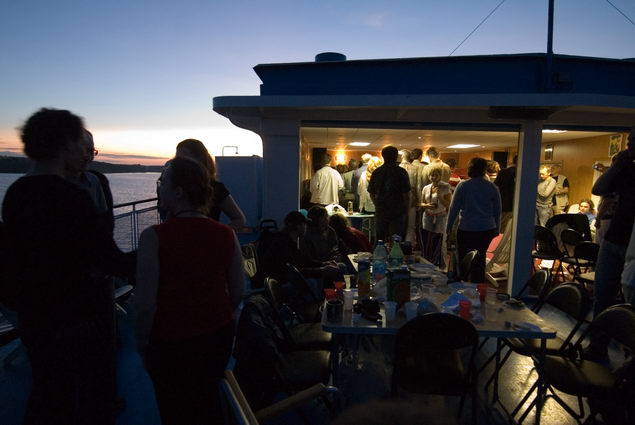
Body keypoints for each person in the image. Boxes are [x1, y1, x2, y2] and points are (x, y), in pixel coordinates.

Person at [2, 108, 123, 425]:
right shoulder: (71, 197)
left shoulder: (16, 193)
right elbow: (107, 257)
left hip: (34, 315)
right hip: (71, 316)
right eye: (79, 145)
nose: (84, 153)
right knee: (71, 391)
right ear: (65, 145)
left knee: (47, 388)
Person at [134, 156, 244, 425]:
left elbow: (146, 305)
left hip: (171, 343)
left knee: (176, 410)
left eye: (163, 182)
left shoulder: (153, 237)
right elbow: (237, 292)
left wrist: (142, 345)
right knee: (207, 399)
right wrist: (215, 317)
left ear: (179, 191)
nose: (160, 188)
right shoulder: (226, 234)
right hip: (217, 337)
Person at [585, 129, 635, 360]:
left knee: (630, 302)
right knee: (602, 294)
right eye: (630, 140)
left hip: (632, 245)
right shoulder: (625, 169)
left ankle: (629, 358)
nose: (630, 144)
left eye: (634, 140)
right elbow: (598, 189)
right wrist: (617, 165)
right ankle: (597, 347)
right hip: (613, 239)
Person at [447, 157, 501, 283]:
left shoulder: (463, 186)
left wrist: (448, 227)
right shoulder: (492, 187)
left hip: (467, 227)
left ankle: (462, 285)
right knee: (480, 259)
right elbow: (497, 211)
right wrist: (497, 228)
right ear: (484, 170)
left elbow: (454, 209)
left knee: (464, 259)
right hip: (487, 228)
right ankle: (478, 287)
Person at [174, 139, 246, 230]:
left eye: (184, 159)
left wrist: (216, 234)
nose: (179, 164)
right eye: (178, 160)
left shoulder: (216, 188)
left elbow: (239, 219)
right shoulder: (176, 187)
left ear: (199, 159)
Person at [260, 210, 343, 286]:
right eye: (304, 224)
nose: (306, 227)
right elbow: (295, 272)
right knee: (312, 282)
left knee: (339, 267)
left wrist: (323, 264)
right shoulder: (282, 244)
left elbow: (304, 260)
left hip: (284, 279)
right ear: (298, 226)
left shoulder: (288, 241)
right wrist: (322, 270)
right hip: (278, 284)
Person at [368, 146, 411, 241]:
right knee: (396, 240)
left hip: (381, 210)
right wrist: (406, 210)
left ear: (383, 156)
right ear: (396, 157)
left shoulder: (377, 172)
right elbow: (406, 195)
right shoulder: (401, 172)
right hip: (397, 211)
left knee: (380, 239)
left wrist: (377, 204)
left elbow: (371, 193)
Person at [420, 168, 452, 267]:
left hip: (440, 216)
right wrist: (427, 205)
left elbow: (448, 204)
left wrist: (440, 196)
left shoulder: (445, 187)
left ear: (440, 176)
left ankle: (441, 263)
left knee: (440, 240)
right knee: (427, 239)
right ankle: (427, 261)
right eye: (431, 175)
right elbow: (421, 203)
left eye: (436, 175)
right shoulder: (426, 187)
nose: (433, 177)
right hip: (428, 216)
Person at [399, 149, 422, 243]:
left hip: (400, 197)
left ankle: (398, 242)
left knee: (400, 221)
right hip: (412, 196)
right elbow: (418, 186)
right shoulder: (415, 168)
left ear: (402, 157)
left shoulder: (398, 167)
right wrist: (419, 201)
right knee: (411, 223)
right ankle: (408, 243)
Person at [494, 155, 517, 232]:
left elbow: (495, 187)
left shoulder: (503, 172)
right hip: (519, 206)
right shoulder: (527, 174)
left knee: (503, 228)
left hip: (505, 204)